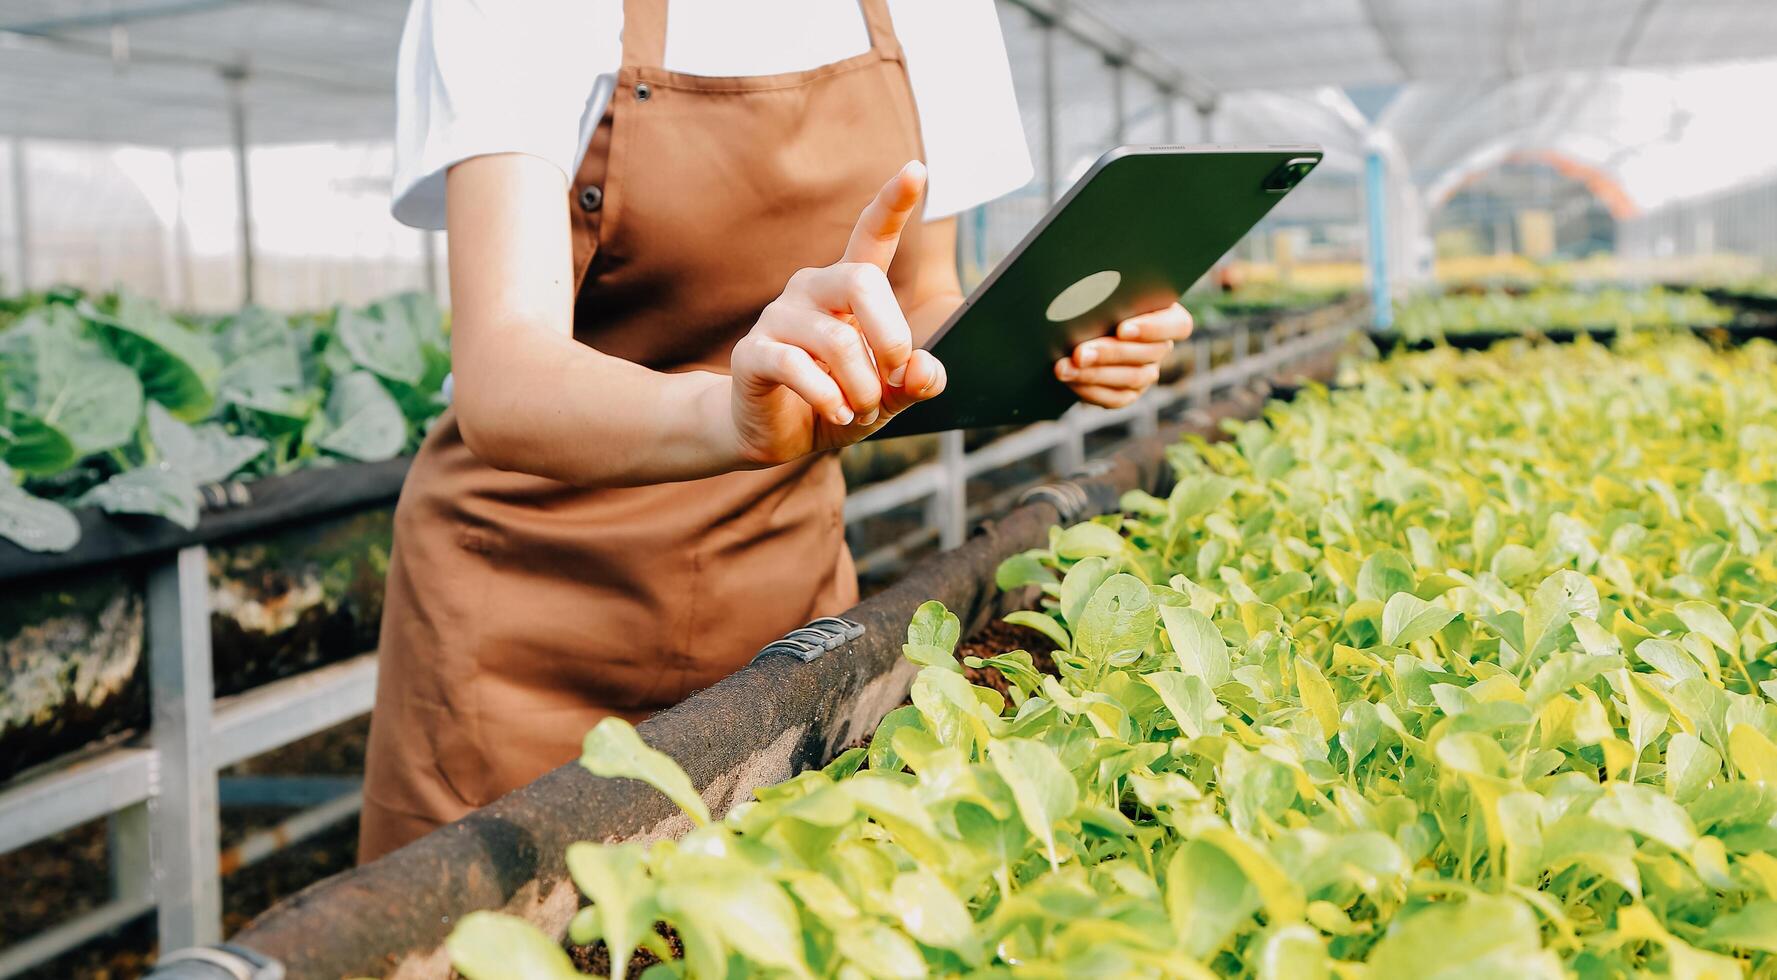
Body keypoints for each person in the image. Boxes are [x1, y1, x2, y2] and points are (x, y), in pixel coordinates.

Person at [359, 0, 1194, 861]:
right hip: (525, 619)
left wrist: (1056, 339)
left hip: (786, 602)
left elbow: (920, 299)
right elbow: (503, 377)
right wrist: (726, 411)